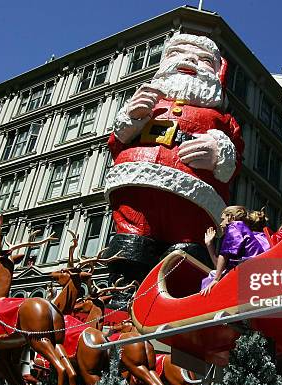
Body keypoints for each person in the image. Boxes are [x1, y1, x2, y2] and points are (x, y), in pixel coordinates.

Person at [103, 33, 244, 290]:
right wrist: (131, 119)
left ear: (217, 72)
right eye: (179, 52)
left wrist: (219, 151)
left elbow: (235, 161)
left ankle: (176, 306)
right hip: (136, 190)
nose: (190, 59)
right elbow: (116, 143)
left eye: (203, 59)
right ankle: (120, 305)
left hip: (193, 203)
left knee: (185, 257)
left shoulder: (222, 119)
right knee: (130, 250)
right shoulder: (148, 101)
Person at [201, 206, 268, 295]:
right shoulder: (243, 229)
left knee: (211, 278)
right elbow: (220, 267)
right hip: (252, 270)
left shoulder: (235, 226)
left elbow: (224, 254)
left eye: (223, 219)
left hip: (247, 270)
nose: (220, 224)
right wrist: (210, 245)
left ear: (231, 217)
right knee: (213, 274)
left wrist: (216, 279)